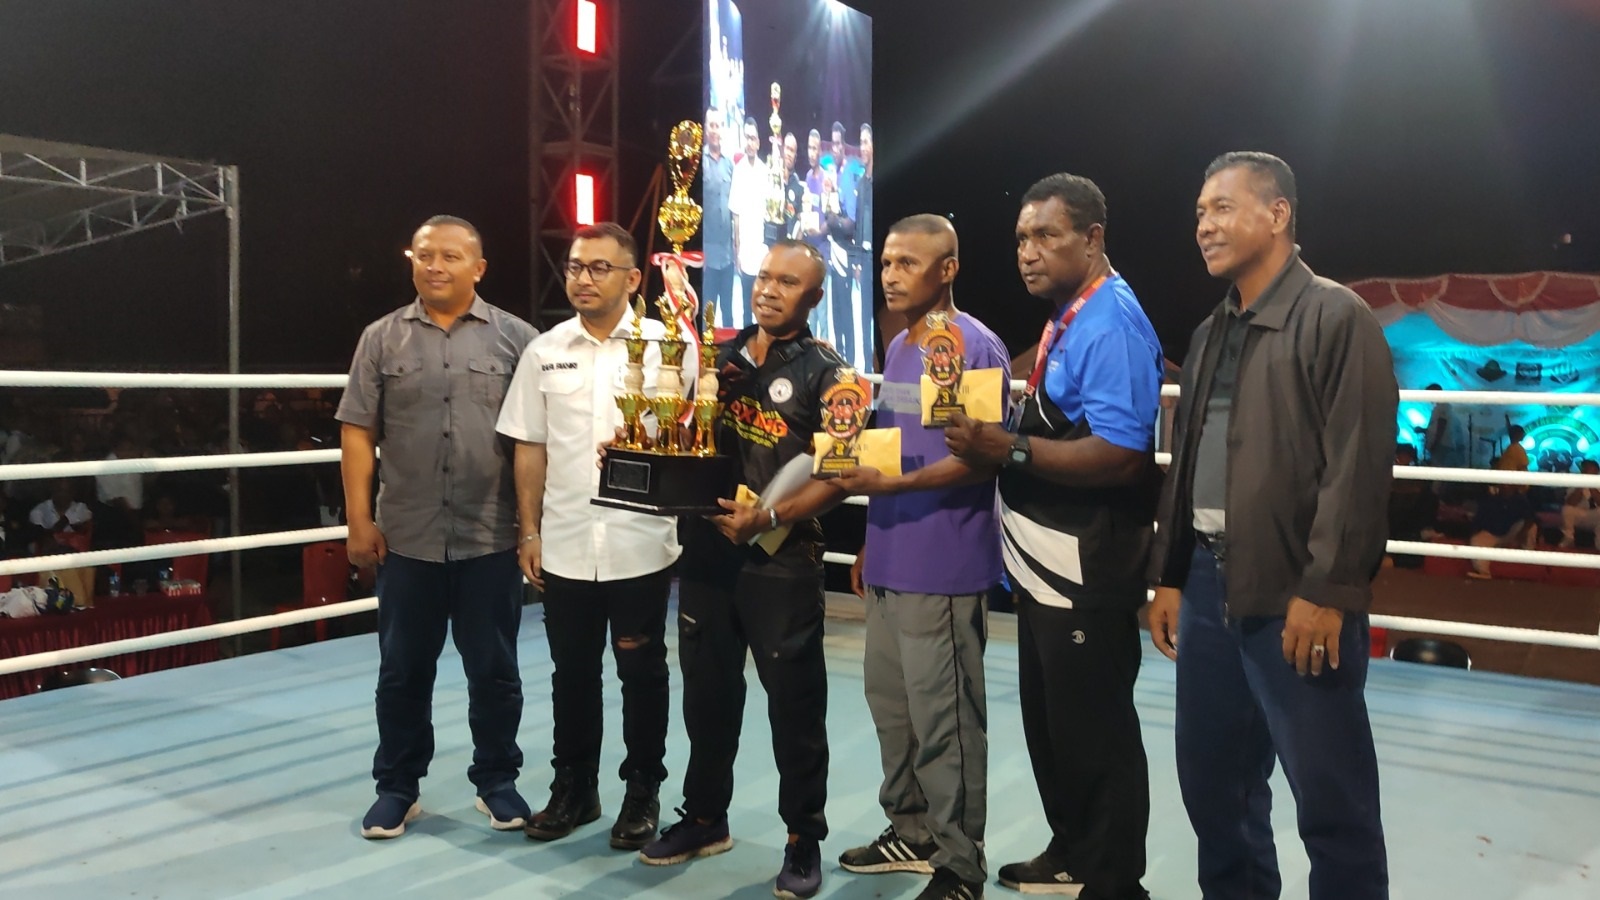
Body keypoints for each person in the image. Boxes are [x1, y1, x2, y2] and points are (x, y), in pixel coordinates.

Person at [1145, 152, 1395, 899]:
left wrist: (1327, 589)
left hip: (1296, 590)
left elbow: (1357, 466)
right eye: (1199, 212)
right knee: (1214, 787)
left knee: (1332, 800)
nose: (1203, 226)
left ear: (1278, 213)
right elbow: (1187, 462)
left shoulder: (1335, 316)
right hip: (1206, 587)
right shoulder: (1210, 333)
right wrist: (1168, 574)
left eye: (1222, 208)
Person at [946, 174, 1163, 900]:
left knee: (1096, 735)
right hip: (1045, 565)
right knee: (1053, 726)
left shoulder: (1112, 323)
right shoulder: (1074, 314)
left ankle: (1115, 884)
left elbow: (1122, 454)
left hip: (1085, 567)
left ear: (1092, 239)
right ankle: (1072, 851)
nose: (1028, 252)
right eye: (1021, 238)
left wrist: (1005, 448)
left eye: (1046, 235)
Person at [639, 240, 847, 900]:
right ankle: (705, 817)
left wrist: (768, 517)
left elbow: (840, 477)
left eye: (787, 282)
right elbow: (686, 441)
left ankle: (803, 837)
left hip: (781, 561)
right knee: (706, 696)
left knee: (795, 707)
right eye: (763, 277)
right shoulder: (717, 359)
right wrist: (640, 446)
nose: (768, 290)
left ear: (814, 297)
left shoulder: (831, 375)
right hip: (707, 556)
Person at [337, 215, 537, 840]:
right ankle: (397, 788)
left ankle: (497, 780)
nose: (435, 266)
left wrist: (534, 528)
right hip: (407, 536)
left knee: (495, 670)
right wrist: (358, 519)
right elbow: (357, 431)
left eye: (451, 256)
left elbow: (536, 441)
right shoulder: (380, 338)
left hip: (491, 534)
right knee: (401, 672)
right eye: (424, 255)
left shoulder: (518, 339)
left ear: (479, 267)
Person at [495, 222, 694, 850]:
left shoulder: (672, 347)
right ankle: (574, 789)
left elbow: (695, 439)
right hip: (566, 540)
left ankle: (642, 792)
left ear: (633, 278)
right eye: (576, 267)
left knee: (643, 672)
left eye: (599, 267)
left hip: (640, 540)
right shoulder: (544, 349)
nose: (583, 278)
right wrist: (529, 530)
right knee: (572, 673)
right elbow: (530, 445)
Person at [830, 215, 1006, 900]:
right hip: (891, 559)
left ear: (948, 268)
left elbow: (980, 458)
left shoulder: (971, 345)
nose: (891, 274)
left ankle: (960, 866)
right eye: (886, 262)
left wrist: (895, 491)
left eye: (908, 262)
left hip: (945, 564)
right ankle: (913, 831)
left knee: (946, 724)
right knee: (893, 711)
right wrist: (873, 536)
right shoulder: (902, 345)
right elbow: (898, 446)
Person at [729, 116, 769, 320]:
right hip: (745, 248)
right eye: (747, 138)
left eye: (753, 138)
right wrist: (736, 249)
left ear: (758, 142)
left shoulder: (765, 171)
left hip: (761, 248)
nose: (750, 143)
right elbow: (735, 213)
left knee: (762, 304)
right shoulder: (738, 170)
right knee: (746, 306)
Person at [702, 109, 737, 331]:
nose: (715, 130)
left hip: (727, 254)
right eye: (711, 125)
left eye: (718, 125)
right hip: (708, 254)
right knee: (708, 313)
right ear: (706, 128)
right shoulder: (699, 162)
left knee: (729, 313)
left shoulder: (729, 164)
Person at [1560, 459, 1600, 548]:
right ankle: (1569, 538)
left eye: (1590, 469)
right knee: (1567, 509)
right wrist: (1582, 484)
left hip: (1595, 516)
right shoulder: (1575, 481)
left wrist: (1591, 485)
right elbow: (1570, 502)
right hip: (1580, 514)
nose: (1587, 472)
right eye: (1585, 469)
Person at [1421, 383, 1462, 467]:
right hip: (1439, 444)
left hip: (1441, 445)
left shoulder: (1443, 406)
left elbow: (1442, 425)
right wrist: (1424, 430)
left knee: (1438, 468)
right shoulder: (1439, 407)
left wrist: (1435, 444)